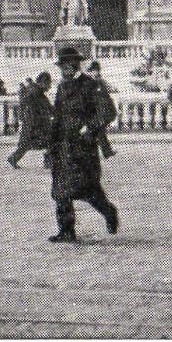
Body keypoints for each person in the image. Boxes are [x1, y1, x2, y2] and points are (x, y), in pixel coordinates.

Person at [47, 46, 119, 242]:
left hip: (82, 148)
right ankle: (66, 231)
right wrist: (50, 146)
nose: (63, 70)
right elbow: (58, 116)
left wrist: (89, 127)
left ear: (73, 65)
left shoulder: (90, 85)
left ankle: (109, 212)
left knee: (89, 190)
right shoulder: (62, 86)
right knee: (61, 191)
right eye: (61, 66)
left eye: (65, 66)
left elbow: (108, 111)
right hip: (63, 146)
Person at [8, 72, 53, 167]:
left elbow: (48, 107)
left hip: (35, 125)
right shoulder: (34, 92)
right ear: (42, 82)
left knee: (27, 145)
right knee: (28, 144)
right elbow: (27, 107)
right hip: (33, 125)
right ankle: (48, 161)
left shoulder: (39, 94)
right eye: (48, 83)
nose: (50, 86)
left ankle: (13, 158)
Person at [87, 61, 116, 157]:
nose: (94, 73)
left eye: (95, 70)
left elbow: (110, 90)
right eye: (93, 71)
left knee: (99, 130)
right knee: (99, 131)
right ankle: (106, 152)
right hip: (95, 111)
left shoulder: (100, 82)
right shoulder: (90, 82)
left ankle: (106, 151)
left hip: (103, 111)